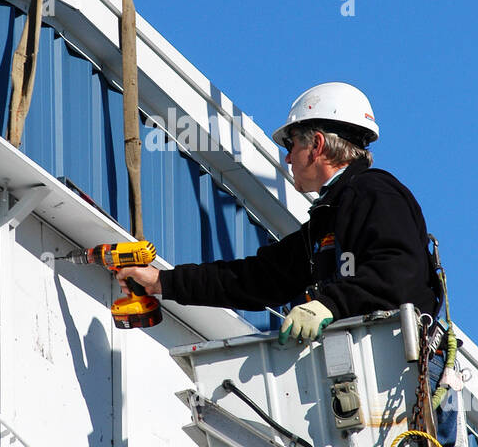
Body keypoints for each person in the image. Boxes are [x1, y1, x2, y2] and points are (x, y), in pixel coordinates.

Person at [118, 83, 442, 342]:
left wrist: (331, 304)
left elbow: (399, 275)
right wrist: (160, 281)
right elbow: (256, 278)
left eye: (292, 147)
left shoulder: (375, 193)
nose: (287, 160)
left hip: (405, 379)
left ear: (316, 145)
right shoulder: (328, 219)